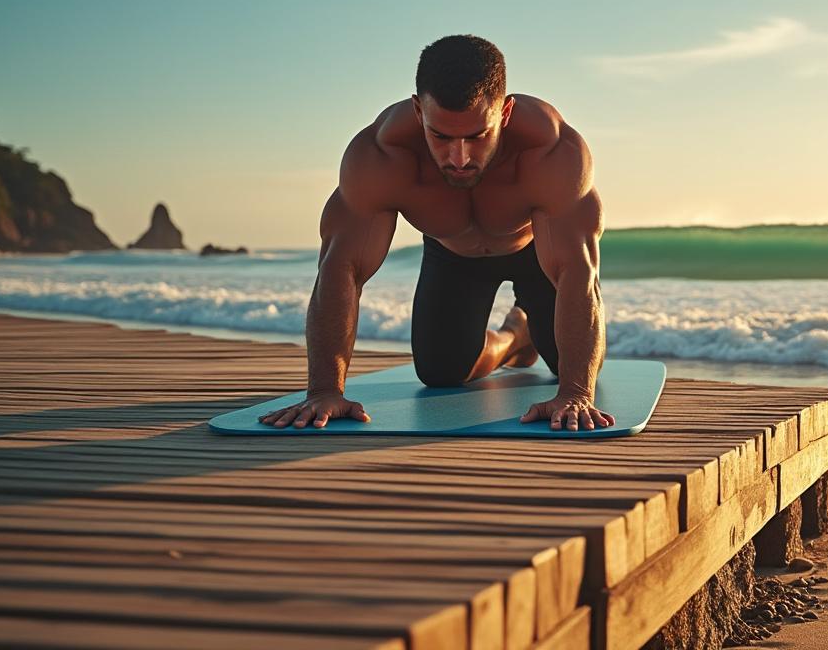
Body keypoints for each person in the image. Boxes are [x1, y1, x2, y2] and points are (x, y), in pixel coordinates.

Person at [260, 35, 614, 431]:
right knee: (442, 373)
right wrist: (325, 390)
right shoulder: (380, 156)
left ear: (506, 112)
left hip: (536, 254)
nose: (459, 157)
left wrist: (576, 392)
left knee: (577, 369)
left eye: (478, 136)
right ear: (418, 111)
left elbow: (579, 273)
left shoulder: (552, 152)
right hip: (453, 256)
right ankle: (515, 335)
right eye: (441, 136)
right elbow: (341, 268)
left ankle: (533, 329)